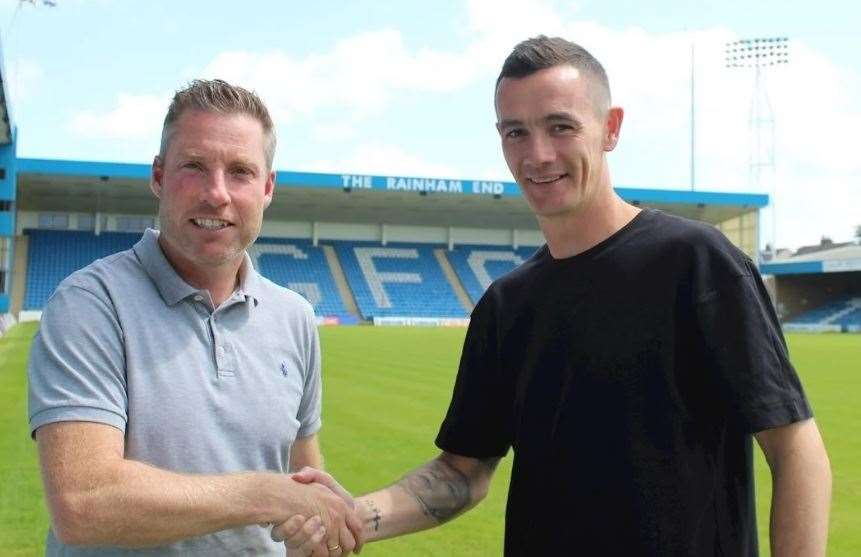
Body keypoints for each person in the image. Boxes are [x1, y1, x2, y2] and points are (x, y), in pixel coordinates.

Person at [281, 36, 832, 556]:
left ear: (610, 128)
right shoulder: (506, 305)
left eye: (560, 126)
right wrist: (354, 515)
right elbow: (461, 472)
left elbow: (796, 450)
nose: (537, 154)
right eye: (515, 132)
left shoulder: (696, 262)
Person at [28, 79, 361, 556]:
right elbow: (84, 502)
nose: (216, 194)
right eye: (195, 167)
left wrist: (314, 525)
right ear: (159, 177)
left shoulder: (295, 317)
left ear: (267, 189)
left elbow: (301, 474)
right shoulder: (90, 304)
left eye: (241, 172)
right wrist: (265, 494)